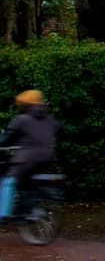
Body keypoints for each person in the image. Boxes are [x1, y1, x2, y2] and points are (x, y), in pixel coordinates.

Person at [0, 90, 56, 220]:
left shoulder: (21, 119)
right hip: (48, 157)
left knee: (8, 181)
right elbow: (58, 129)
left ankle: (3, 214)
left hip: (27, 158)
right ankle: (27, 210)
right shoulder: (50, 119)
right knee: (27, 181)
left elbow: (6, 138)